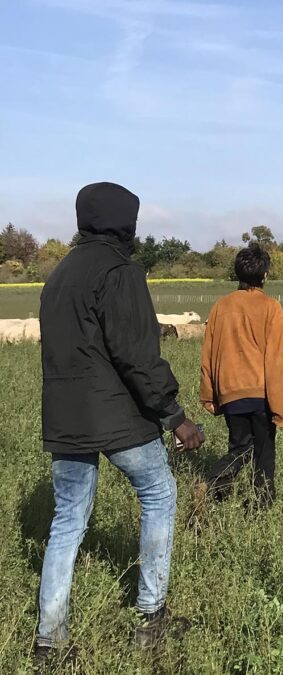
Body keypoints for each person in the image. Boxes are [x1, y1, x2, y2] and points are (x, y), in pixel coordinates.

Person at [36, 182, 204, 664]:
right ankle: (151, 618)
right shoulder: (120, 272)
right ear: (124, 223)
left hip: (64, 418)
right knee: (159, 492)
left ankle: (49, 641)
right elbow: (137, 355)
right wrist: (176, 417)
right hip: (116, 415)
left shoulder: (58, 277)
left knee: (67, 519)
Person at [197, 244, 283, 508]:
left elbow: (209, 353)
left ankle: (214, 498)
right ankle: (259, 506)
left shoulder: (220, 307)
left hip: (230, 392)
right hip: (260, 394)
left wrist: (209, 394)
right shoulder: (271, 307)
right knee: (263, 452)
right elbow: (274, 361)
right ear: (265, 276)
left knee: (240, 447)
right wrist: (279, 407)